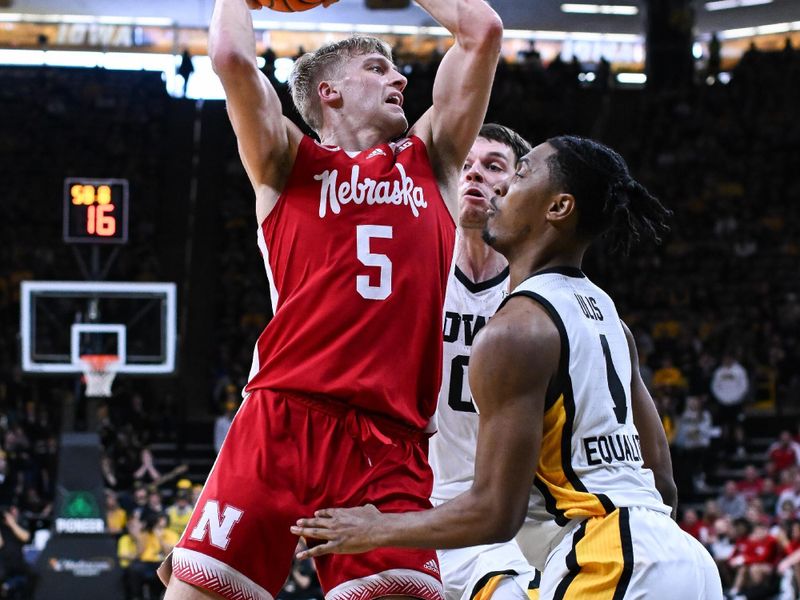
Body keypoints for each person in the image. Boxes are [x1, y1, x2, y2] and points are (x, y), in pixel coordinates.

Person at [160, 0, 503, 597]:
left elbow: (481, 31)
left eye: (396, 69)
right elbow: (231, 57)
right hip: (280, 421)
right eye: (377, 68)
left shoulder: (434, 159)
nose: (400, 78)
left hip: (388, 441)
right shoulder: (285, 160)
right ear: (329, 92)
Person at [291, 136, 723, 599]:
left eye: (517, 175)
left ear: (557, 207)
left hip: (610, 561)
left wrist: (375, 528)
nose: (499, 190)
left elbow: (497, 513)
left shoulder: (514, 331)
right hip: (682, 558)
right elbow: (662, 484)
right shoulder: (608, 317)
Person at [431, 123, 539, 600]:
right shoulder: (410, 271)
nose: (473, 175)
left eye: (493, 166)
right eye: (465, 165)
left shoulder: (539, 296)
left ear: (518, 187)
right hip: (407, 500)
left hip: (498, 515)